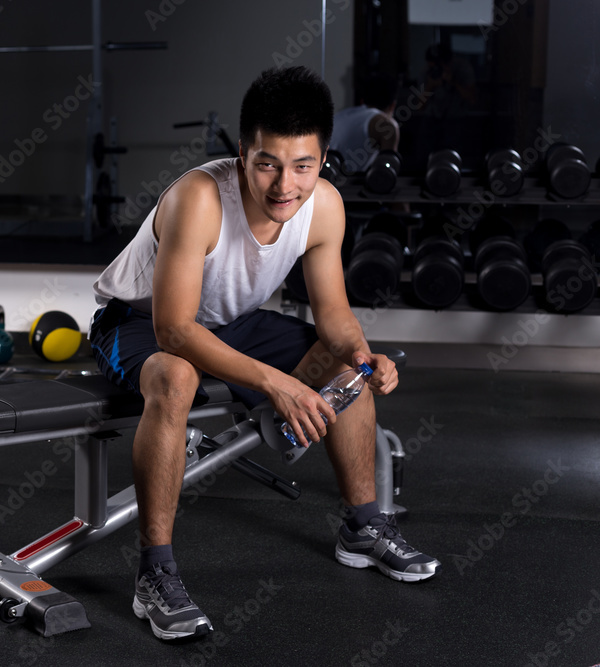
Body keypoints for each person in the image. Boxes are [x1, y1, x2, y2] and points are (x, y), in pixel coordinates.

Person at [89, 66, 440, 642]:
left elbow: (333, 314)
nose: (285, 185)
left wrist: (360, 352)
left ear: (324, 158)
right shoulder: (198, 199)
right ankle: (155, 573)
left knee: (346, 364)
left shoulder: (323, 206)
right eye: (267, 164)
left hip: (232, 324)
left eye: (302, 166)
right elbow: (174, 329)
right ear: (242, 154)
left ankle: (363, 527)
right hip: (137, 321)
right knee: (176, 378)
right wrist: (278, 384)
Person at [330, 73, 400, 173]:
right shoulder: (386, 124)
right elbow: (389, 170)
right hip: (344, 184)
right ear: (393, 105)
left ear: (362, 101)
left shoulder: (339, 115)